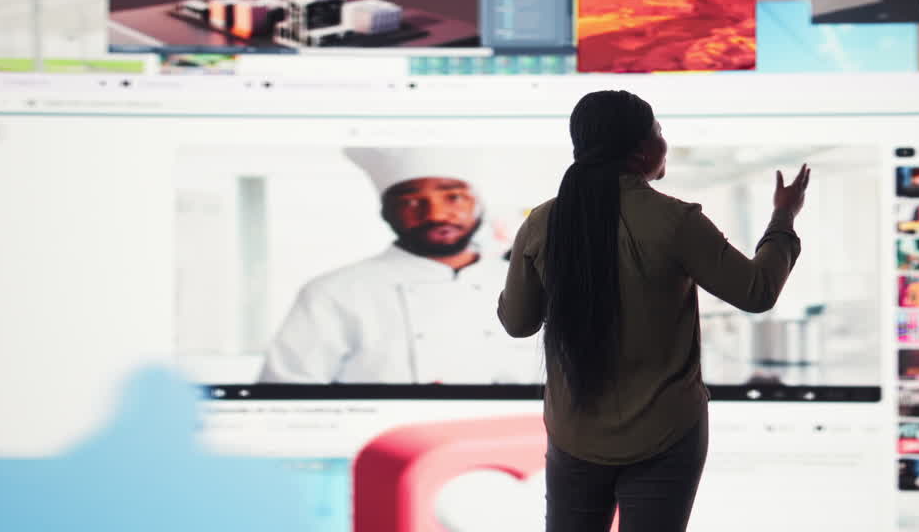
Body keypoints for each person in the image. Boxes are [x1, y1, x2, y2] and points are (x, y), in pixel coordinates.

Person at [496, 91, 809, 532]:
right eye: (660, 131)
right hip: (666, 431)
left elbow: (517, 322)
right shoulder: (675, 220)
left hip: (574, 430)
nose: (665, 141)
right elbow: (757, 292)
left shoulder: (542, 221)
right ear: (642, 150)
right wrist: (783, 217)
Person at [259, 148, 542, 384]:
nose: (436, 214)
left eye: (453, 196)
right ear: (386, 212)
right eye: (411, 201)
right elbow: (285, 393)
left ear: (478, 205)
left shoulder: (532, 286)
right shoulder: (334, 292)